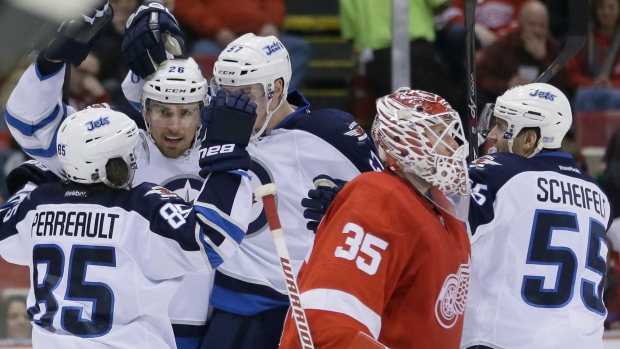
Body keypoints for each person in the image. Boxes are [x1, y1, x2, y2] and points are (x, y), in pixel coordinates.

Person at [5, 2, 246, 348]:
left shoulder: (231, 136)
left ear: (202, 108)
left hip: (218, 319)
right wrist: (52, 60)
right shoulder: (114, 142)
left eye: (185, 112)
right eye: (163, 111)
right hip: (136, 327)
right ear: (144, 108)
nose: (174, 125)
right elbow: (31, 124)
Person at [161, 33, 379, 349]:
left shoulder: (330, 133)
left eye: (245, 93)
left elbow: (392, 203)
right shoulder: (211, 126)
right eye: (225, 91)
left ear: (276, 89)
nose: (233, 104)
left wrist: (351, 204)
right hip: (233, 306)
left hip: (305, 304)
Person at [0, 103, 254, 348]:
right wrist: (227, 157)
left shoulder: (38, 205)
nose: (134, 159)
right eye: (129, 151)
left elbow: (6, 238)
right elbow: (211, 239)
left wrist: (30, 185)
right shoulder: (140, 207)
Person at [278, 88, 472, 348]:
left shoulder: (445, 212)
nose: (455, 145)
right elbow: (328, 325)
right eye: (439, 133)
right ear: (405, 140)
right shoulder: (380, 197)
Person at [462, 82, 612, 349]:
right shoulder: (597, 193)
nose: (493, 135)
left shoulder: (499, 173)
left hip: (505, 341)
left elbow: (439, 226)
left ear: (529, 139)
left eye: (502, 126)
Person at [340, 0, 464, 117]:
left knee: (395, 119)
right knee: (435, 115)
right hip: (418, 49)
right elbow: (441, 3)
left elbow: (349, 31)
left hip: (377, 56)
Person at [173, 0, 311, 90]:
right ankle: (220, 106)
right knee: (201, 54)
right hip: (216, 40)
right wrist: (216, 30)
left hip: (259, 38)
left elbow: (273, 3)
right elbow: (186, 6)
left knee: (297, 49)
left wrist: (271, 23)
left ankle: (277, 101)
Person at [476, 1, 569, 111]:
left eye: (542, 26)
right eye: (532, 24)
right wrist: (507, 85)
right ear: (520, 23)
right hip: (506, 104)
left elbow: (563, 84)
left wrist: (543, 59)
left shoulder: (552, 47)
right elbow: (481, 77)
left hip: (541, 105)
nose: (537, 30)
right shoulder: (503, 45)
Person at [565, 0, 620, 113]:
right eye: (602, 7)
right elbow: (570, 74)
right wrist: (593, 84)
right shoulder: (581, 38)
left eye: (611, 7)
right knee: (584, 95)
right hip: (587, 90)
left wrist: (611, 85)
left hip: (616, 91)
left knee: (614, 97)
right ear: (595, 10)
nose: (606, 12)